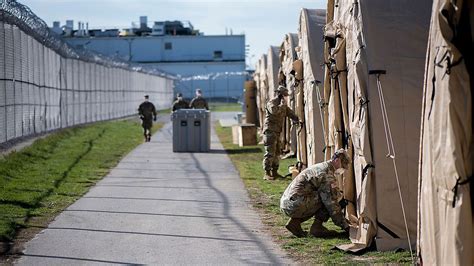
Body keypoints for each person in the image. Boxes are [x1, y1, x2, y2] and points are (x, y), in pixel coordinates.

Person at [280, 149, 351, 237]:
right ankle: (317, 228)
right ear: (337, 161)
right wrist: (345, 226)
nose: (343, 170)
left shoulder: (322, 166)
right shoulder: (326, 174)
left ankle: (294, 224)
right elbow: (331, 203)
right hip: (295, 204)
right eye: (343, 166)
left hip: (288, 203)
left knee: (327, 195)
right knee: (332, 196)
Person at [262, 85, 301, 180]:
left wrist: (298, 119)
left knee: (277, 153)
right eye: (283, 95)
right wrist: (282, 105)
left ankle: (274, 172)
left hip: (277, 132)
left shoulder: (283, 105)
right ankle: (267, 173)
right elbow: (274, 111)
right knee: (270, 153)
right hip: (270, 131)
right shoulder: (272, 103)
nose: (284, 97)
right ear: (279, 94)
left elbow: (290, 113)